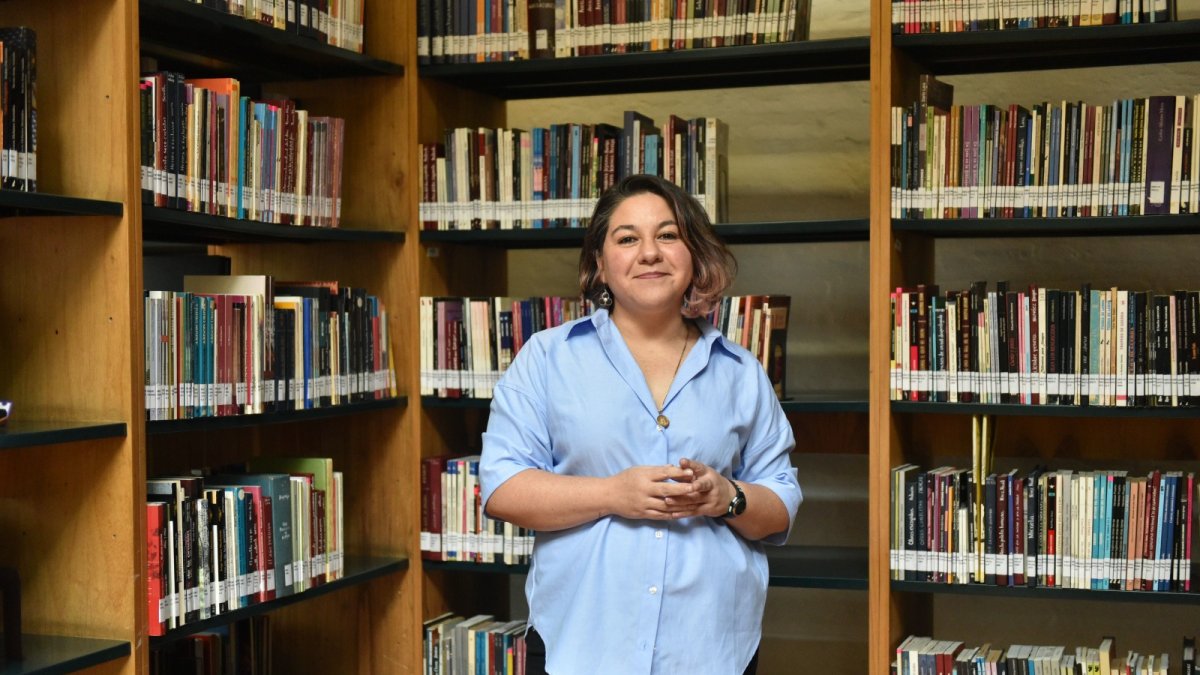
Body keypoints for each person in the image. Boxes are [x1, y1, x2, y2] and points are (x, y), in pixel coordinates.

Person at [480, 173, 802, 674]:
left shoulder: (741, 372)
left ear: (693, 255)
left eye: (668, 235)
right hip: (583, 645)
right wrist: (612, 495)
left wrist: (727, 496)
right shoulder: (547, 358)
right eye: (627, 238)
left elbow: (780, 505)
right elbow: (503, 488)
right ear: (599, 265)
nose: (649, 253)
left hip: (711, 649)